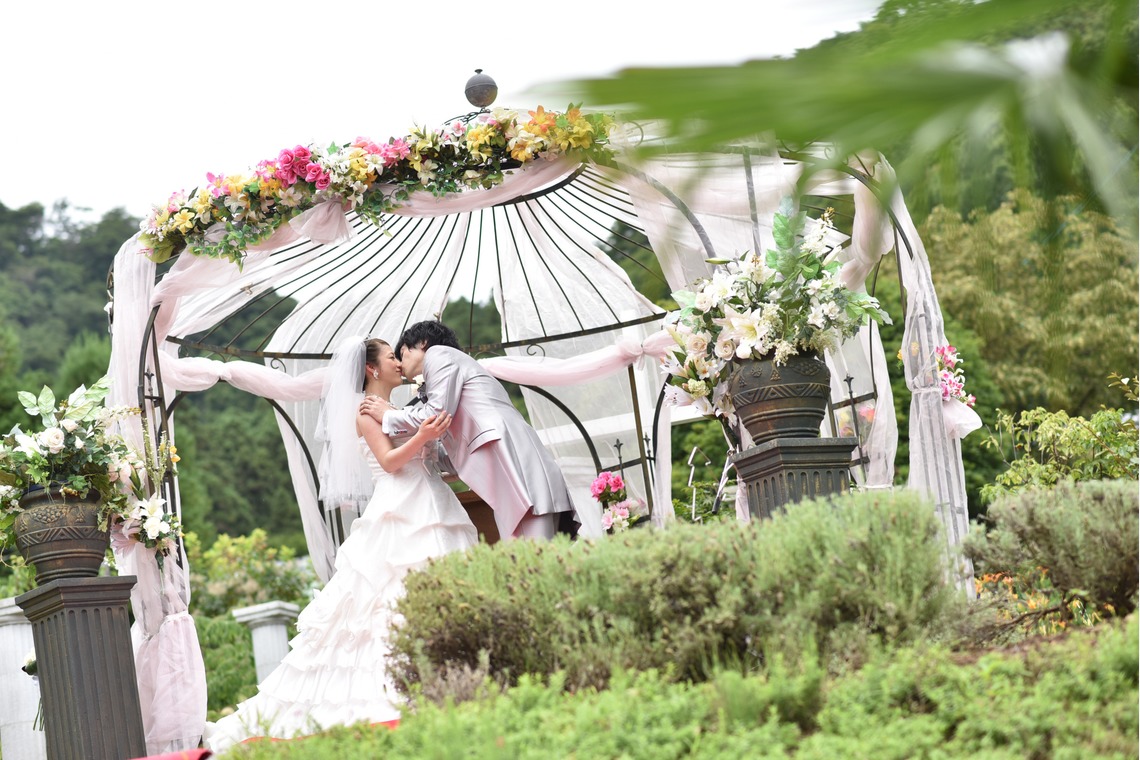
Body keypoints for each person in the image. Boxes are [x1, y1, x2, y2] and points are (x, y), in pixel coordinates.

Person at [204, 336, 478, 752]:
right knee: (383, 602)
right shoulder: (366, 411)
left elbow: (422, 452)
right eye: (391, 357)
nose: (398, 362)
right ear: (372, 368)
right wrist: (422, 436)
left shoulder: (399, 409)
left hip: (431, 499)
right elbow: (389, 462)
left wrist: (433, 440)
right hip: (399, 507)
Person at [361, 321, 577, 541]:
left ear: (423, 343)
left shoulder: (438, 354)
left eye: (402, 353)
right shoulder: (453, 368)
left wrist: (388, 416)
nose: (400, 363)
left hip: (514, 469)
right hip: (517, 472)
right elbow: (452, 448)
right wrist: (424, 453)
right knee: (534, 551)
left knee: (528, 552)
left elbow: (436, 412)